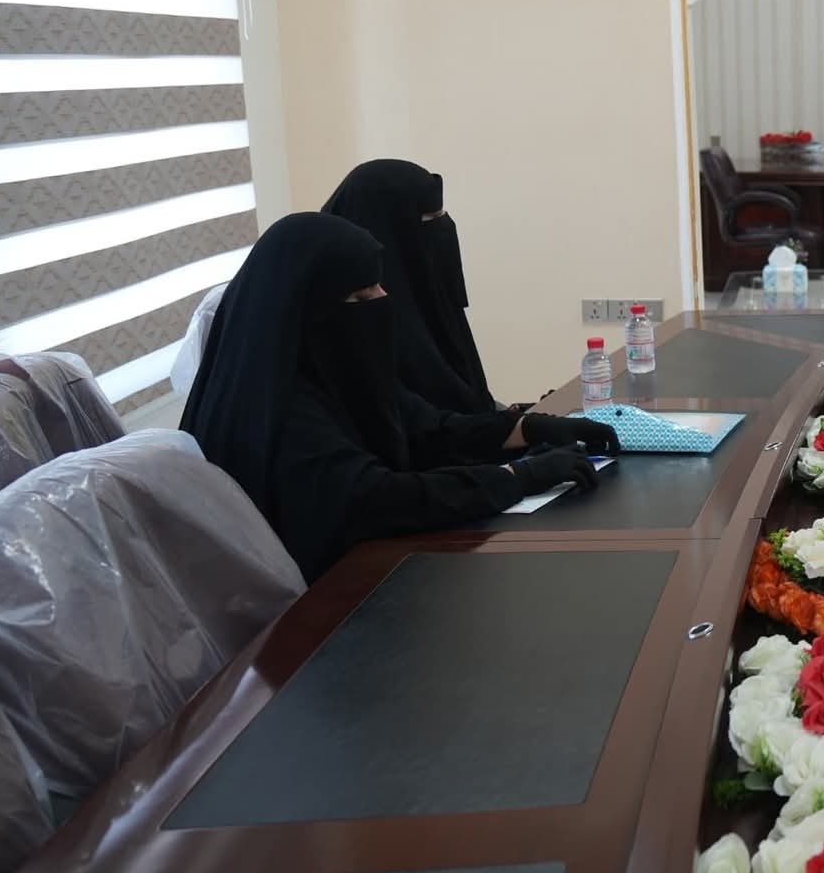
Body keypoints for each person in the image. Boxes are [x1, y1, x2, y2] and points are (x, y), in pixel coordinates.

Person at [181, 213, 618, 580]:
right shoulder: (279, 410)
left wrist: (530, 427)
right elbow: (376, 500)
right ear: (308, 311)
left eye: (379, 286)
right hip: (324, 609)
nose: (383, 300)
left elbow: (429, 428)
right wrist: (516, 477)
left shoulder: (335, 370)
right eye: (361, 295)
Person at [323, 159, 495, 413]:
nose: (444, 226)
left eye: (442, 215)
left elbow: (474, 404)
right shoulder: (358, 329)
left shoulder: (430, 305)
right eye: (430, 218)